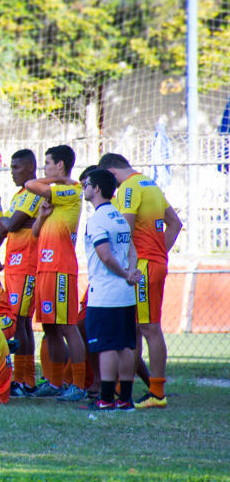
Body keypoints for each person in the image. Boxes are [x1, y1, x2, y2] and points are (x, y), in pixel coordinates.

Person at [99, 153, 182, 409]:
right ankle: (123, 388)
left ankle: (157, 393)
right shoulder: (150, 184)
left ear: (112, 174)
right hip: (152, 263)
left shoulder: (130, 188)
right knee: (134, 329)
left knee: (149, 328)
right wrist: (160, 253)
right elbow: (175, 224)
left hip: (143, 266)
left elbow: (124, 232)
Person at [25, 144, 87, 401]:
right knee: (50, 327)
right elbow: (36, 233)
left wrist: (57, 179)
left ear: (59, 165)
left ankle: (79, 385)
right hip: (45, 269)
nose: (45, 169)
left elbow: (30, 184)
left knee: (67, 326)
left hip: (61, 268)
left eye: (48, 164)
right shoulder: (53, 198)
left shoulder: (70, 190)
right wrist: (41, 216)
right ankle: (55, 381)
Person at [80, 169, 141, 411]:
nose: (84, 187)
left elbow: (104, 256)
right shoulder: (118, 217)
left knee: (106, 346)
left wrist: (126, 273)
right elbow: (132, 251)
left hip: (105, 293)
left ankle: (105, 398)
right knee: (125, 345)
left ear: (96, 189)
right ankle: (125, 398)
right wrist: (131, 272)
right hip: (125, 293)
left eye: (87, 184)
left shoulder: (97, 220)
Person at [2, 149, 44, 396]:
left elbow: (11, 224)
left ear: (30, 167)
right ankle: (23, 378)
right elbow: (10, 224)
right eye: (11, 167)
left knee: (21, 322)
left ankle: (25, 380)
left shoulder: (33, 191)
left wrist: (6, 221)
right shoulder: (19, 195)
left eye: (16, 167)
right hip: (14, 265)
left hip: (27, 265)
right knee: (20, 322)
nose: (12, 172)